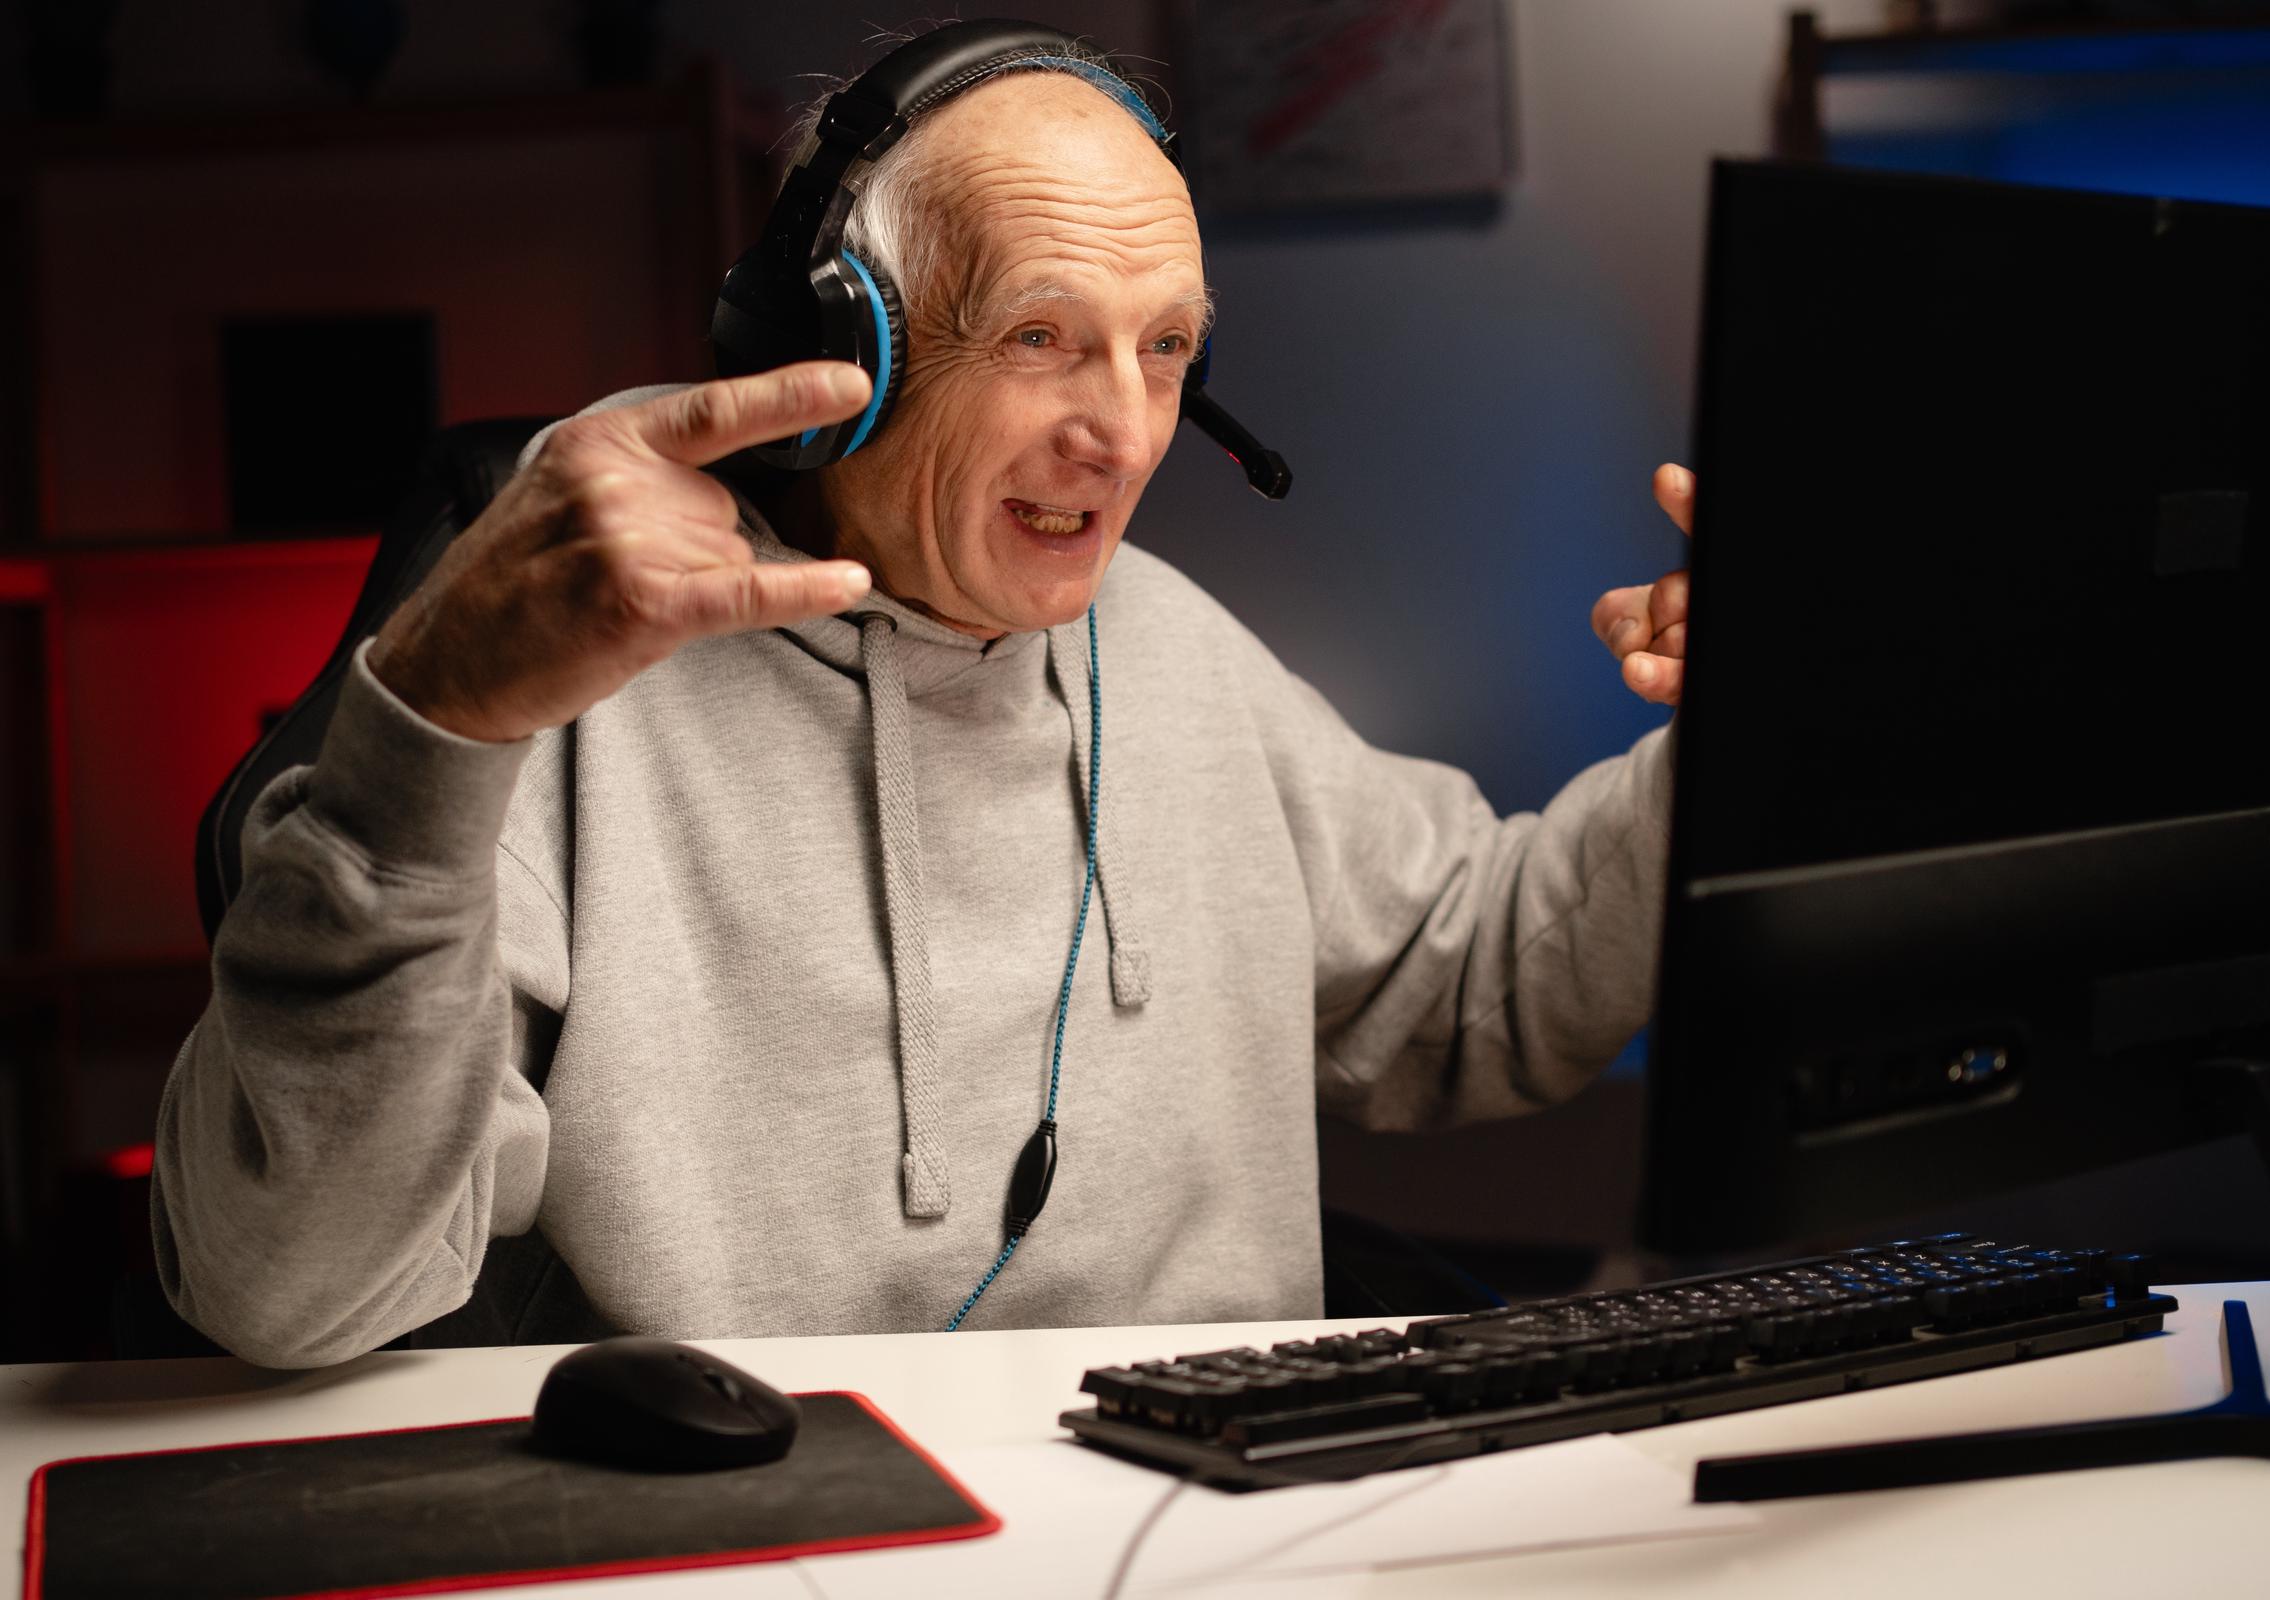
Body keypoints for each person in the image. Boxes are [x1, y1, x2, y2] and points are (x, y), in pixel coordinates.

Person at [150, 38, 1696, 1368]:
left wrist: (1736, 731)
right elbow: (282, 1287)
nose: (1124, 435)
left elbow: (1478, 981)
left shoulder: (1172, 647)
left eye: (1165, 350)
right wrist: (434, 725)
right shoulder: (563, 694)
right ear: (839, 355)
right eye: (1041, 337)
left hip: (1227, 1529)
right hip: (759, 1541)